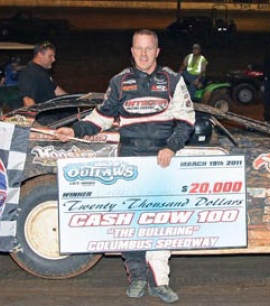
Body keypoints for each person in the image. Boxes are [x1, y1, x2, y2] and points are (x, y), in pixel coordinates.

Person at [56, 29, 195, 304]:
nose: (143, 54)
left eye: (149, 48)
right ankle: (138, 277)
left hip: (162, 162)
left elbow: (186, 120)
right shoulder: (120, 82)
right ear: (131, 51)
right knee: (130, 223)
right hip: (128, 161)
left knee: (160, 224)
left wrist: (171, 147)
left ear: (158, 51)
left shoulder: (173, 80)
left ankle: (160, 282)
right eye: (138, 49)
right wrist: (73, 131)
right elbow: (101, 118)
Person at [18, 40, 67, 107]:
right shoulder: (30, 73)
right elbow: (28, 100)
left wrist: (75, 101)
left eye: (54, 56)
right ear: (40, 55)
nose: (54, 59)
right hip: (45, 116)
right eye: (50, 56)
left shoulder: (42, 72)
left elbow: (57, 91)